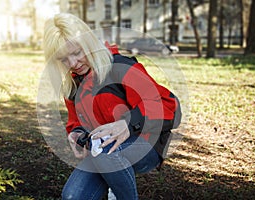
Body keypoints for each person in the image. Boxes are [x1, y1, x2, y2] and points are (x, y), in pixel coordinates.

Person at [43, 13, 181, 200]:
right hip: (103, 150)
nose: (73, 64)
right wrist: (76, 133)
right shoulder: (73, 85)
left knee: (107, 154)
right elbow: (75, 121)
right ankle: (114, 180)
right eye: (64, 59)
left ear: (89, 43)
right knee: (72, 196)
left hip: (146, 143)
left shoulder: (119, 67)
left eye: (77, 53)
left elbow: (170, 106)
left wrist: (128, 124)